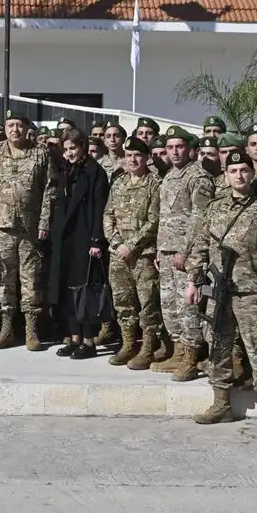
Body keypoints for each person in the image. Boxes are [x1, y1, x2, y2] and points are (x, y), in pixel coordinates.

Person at [186, 150, 257, 436]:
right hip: (218, 290)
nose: (239, 175)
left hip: (252, 291)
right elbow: (200, 247)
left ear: (252, 173)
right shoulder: (214, 207)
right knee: (217, 345)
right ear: (225, 175)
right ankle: (221, 404)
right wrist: (193, 282)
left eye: (244, 170)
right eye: (233, 171)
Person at [0, 110, 57, 351]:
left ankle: (31, 330)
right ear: (4, 128)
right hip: (1, 228)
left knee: (31, 279)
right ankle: (6, 329)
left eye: (19, 125)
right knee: (4, 278)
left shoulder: (40, 154)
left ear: (27, 128)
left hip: (30, 228)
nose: (15, 129)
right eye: (10, 125)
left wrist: (44, 222)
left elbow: (50, 190)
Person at [154, 126, 214, 380]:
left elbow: (200, 219)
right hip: (167, 251)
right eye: (170, 147)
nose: (175, 151)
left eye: (179, 146)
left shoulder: (198, 177)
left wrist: (185, 252)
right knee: (169, 305)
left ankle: (191, 357)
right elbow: (164, 216)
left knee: (188, 306)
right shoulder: (169, 176)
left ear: (190, 149)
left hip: (185, 254)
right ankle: (178, 351)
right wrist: (160, 249)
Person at [102, 136, 162, 369]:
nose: (132, 160)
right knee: (123, 302)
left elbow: (154, 220)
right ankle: (128, 345)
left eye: (137, 155)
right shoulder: (118, 183)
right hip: (118, 254)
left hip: (143, 255)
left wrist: (132, 246)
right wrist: (117, 244)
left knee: (148, 303)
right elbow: (108, 216)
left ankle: (148, 348)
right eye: (128, 156)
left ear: (146, 157)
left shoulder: (155, 183)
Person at [49, 128, 109, 359]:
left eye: (73, 148)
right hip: (66, 238)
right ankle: (74, 338)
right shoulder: (67, 170)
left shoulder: (95, 172)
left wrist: (97, 240)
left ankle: (88, 341)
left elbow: (99, 208)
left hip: (85, 237)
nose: (70, 153)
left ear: (83, 146)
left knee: (84, 290)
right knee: (68, 290)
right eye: (66, 149)